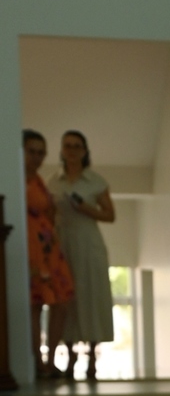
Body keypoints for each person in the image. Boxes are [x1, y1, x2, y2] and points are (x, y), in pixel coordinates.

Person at [50, 129, 115, 381]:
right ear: (61, 150)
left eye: (77, 146)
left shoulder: (96, 181)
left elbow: (110, 215)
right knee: (66, 299)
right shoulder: (53, 182)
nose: (72, 150)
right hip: (62, 244)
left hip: (88, 244)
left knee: (91, 296)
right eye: (68, 146)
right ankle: (69, 357)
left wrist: (86, 208)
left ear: (85, 151)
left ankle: (91, 359)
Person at [22, 129, 74, 379]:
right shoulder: (15, 178)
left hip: (48, 247)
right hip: (29, 246)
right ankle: (37, 361)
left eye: (41, 153)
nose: (37, 157)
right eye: (31, 151)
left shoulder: (39, 181)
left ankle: (51, 359)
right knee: (35, 303)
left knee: (61, 302)